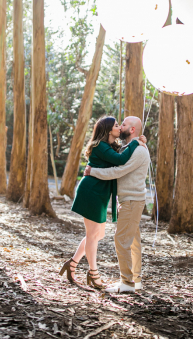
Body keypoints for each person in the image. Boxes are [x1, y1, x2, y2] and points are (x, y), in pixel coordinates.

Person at [59, 116, 146, 289]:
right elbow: (121, 162)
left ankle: (73, 263)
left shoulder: (110, 147)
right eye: (116, 125)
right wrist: (136, 142)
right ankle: (93, 273)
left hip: (100, 193)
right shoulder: (100, 146)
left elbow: (121, 157)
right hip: (91, 191)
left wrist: (137, 142)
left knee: (97, 235)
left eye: (121, 125)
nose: (120, 128)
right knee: (93, 235)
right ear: (107, 130)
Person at [84, 116, 151, 293]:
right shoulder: (130, 147)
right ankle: (135, 280)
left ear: (132, 130)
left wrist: (93, 171)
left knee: (121, 240)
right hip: (129, 200)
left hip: (132, 201)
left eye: (123, 125)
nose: (120, 127)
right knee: (133, 242)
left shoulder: (139, 150)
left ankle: (127, 283)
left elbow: (119, 170)